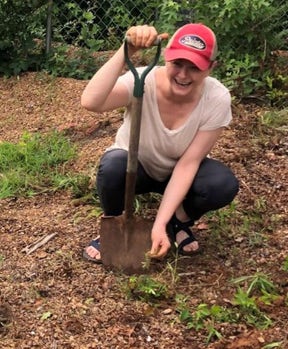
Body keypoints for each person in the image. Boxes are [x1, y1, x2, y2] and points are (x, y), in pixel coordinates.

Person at [81, 23, 239, 263]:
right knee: (113, 164)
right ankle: (115, 222)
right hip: (136, 171)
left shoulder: (216, 98)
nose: (183, 75)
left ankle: (179, 222)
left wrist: (160, 224)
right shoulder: (142, 81)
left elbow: (189, 163)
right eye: (177, 64)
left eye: (194, 67)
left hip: (178, 175)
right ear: (166, 57)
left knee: (221, 184)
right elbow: (91, 102)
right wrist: (126, 51)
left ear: (210, 68)